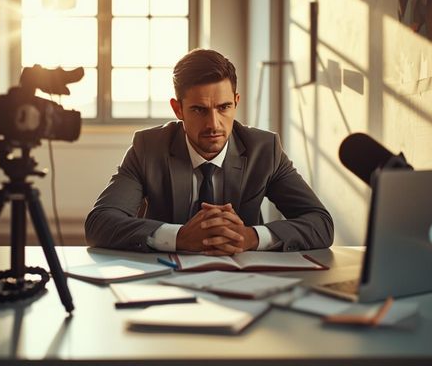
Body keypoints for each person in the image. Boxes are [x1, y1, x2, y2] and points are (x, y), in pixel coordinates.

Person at [85, 49, 333, 254]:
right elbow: (100, 223)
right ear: (177, 109)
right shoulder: (148, 148)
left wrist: (251, 237)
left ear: (236, 102)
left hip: (245, 281)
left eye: (224, 107)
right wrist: (179, 237)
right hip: (166, 281)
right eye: (199, 110)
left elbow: (321, 223)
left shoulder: (264, 150)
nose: (214, 124)